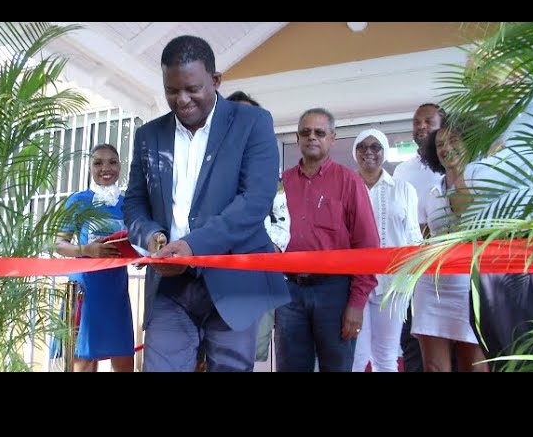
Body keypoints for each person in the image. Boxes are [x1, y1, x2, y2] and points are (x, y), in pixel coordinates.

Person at [122, 35, 290, 372]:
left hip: (234, 282)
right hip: (170, 284)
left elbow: (254, 202)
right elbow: (135, 203)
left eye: (192, 88)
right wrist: (156, 241)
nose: (182, 99)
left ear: (215, 80)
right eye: (172, 90)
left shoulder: (253, 124)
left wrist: (192, 245)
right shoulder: (149, 135)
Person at [462, 97, 533, 370]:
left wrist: (482, 163)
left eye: (481, 69)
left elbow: (486, 177)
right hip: (507, 263)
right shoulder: (506, 122)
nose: (475, 83)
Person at [275, 108, 380, 372]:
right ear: (297, 138)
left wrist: (356, 304)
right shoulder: (281, 183)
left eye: (319, 132)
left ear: (332, 138)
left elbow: (367, 247)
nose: (312, 137)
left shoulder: (349, 182)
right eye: (305, 132)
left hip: (335, 294)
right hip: (289, 293)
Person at [411, 124, 487, 371]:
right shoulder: (430, 194)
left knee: (474, 366)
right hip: (432, 287)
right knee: (434, 367)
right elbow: (426, 239)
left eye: (453, 140)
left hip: (472, 287)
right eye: (439, 145)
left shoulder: (485, 184)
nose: (446, 148)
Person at [54, 143, 134, 372]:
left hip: (116, 289)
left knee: (124, 359)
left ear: (120, 166)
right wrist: (85, 250)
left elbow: (137, 241)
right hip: (85, 290)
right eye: (98, 162)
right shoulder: (78, 200)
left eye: (112, 161)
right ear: (89, 167)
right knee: (83, 359)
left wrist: (138, 254)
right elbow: (59, 244)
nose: (105, 168)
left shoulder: (128, 203)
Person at [226, 90, 291, 366]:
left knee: (244, 358)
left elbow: (283, 225)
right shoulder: (203, 169)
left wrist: (261, 251)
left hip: (254, 277)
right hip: (206, 278)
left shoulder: (269, 176)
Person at [351, 129, 422, 372]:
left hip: (393, 285)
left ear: (384, 152)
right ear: (355, 152)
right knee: (356, 358)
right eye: (362, 146)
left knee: (386, 356)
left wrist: (412, 281)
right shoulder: (346, 188)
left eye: (375, 146)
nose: (368, 152)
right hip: (354, 285)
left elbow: (414, 236)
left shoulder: (403, 189)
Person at [393, 103, 445, 372]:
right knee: (413, 344)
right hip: (412, 272)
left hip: (452, 272)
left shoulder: (455, 162)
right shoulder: (402, 171)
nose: (421, 126)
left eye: (428, 121)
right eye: (416, 122)